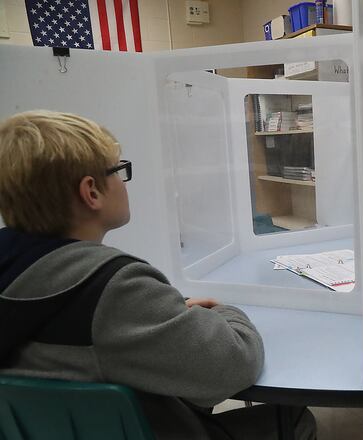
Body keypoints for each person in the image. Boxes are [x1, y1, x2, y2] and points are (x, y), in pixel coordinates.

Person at [0, 110, 316, 440]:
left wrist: (164, 314)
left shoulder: (16, 271)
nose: (124, 182)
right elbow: (234, 363)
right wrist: (225, 313)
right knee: (295, 420)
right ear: (91, 191)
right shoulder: (113, 289)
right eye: (119, 171)